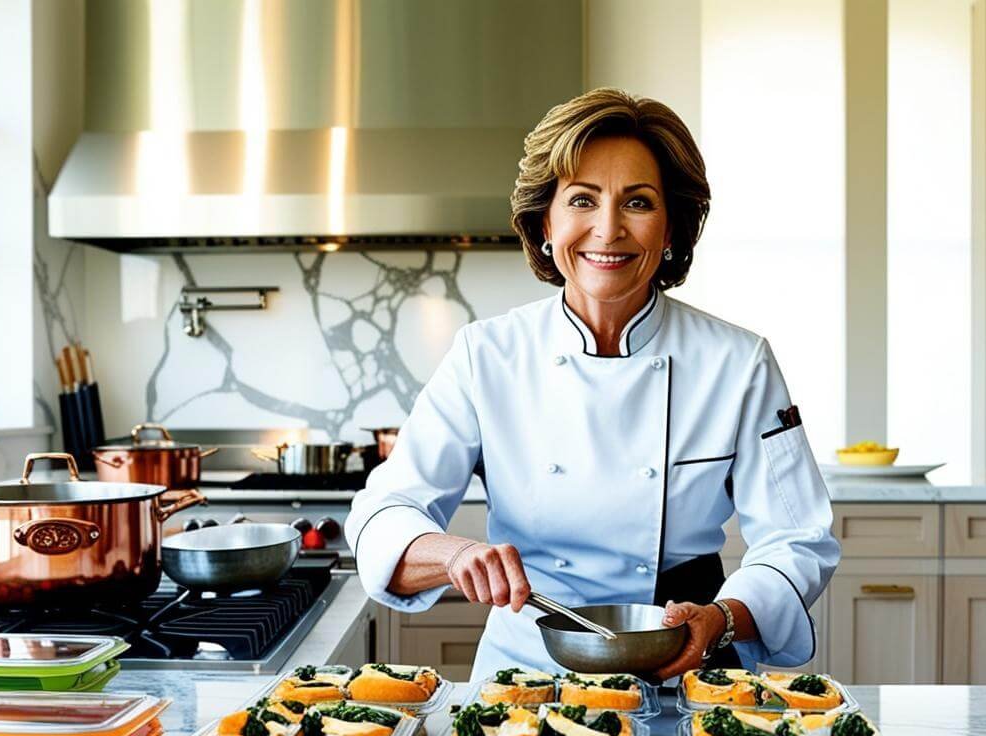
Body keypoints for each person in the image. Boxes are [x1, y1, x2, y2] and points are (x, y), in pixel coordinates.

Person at [345, 88, 840, 680]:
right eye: (583, 200)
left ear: (671, 228)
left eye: (638, 202)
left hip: (681, 666)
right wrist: (456, 556)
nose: (608, 230)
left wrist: (723, 619)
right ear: (545, 224)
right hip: (522, 680)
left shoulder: (739, 362)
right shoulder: (487, 356)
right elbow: (384, 512)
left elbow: (798, 539)